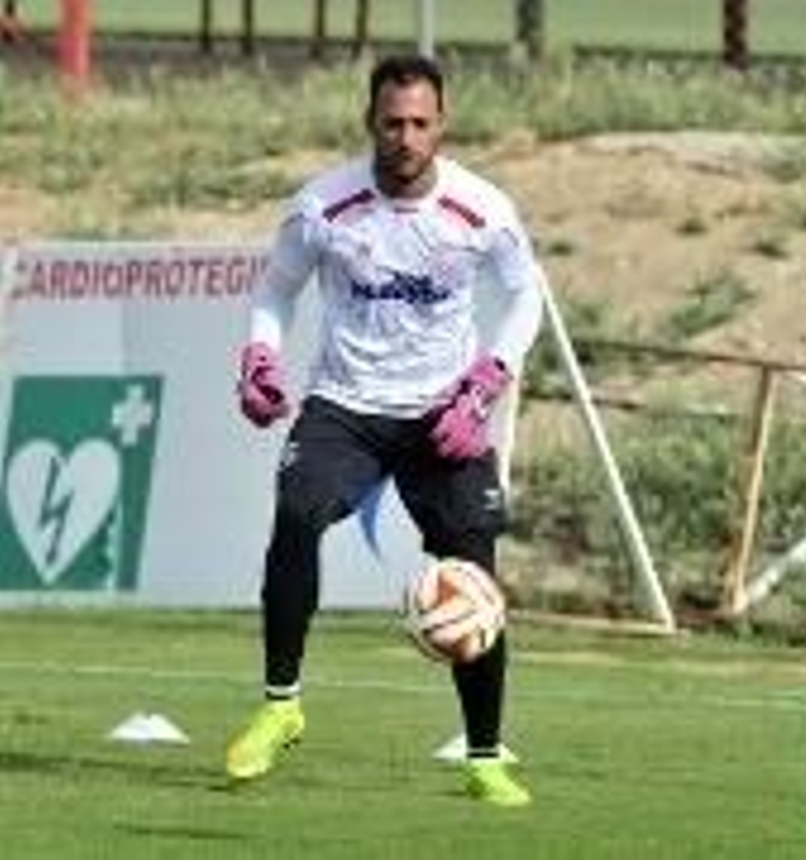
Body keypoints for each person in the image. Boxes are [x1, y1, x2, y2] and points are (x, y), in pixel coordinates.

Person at [225, 54, 547, 808]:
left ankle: (485, 758)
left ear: (442, 126)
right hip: (347, 405)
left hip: (445, 411)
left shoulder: (482, 210)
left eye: (420, 123)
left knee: (474, 574)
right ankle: (281, 705)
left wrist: (489, 378)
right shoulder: (322, 208)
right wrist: (261, 354)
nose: (405, 137)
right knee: (298, 510)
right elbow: (275, 287)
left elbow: (524, 296)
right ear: (369, 122)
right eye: (392, 122)